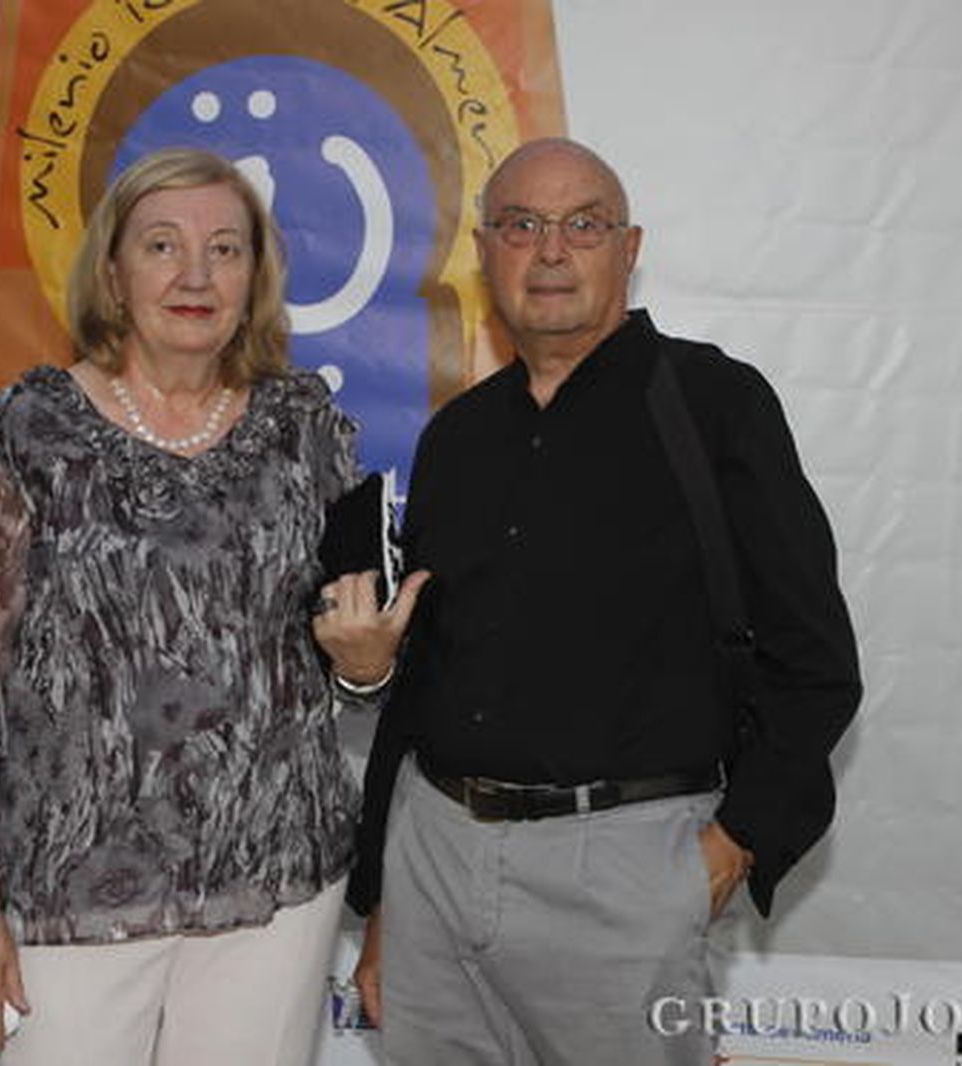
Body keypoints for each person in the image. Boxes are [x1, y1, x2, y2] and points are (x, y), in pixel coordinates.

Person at [343, 138, 863, 1065]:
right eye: (521, 225)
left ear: (630, 249)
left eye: (583, 224)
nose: (551, 249)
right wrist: (384, 893)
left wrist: (734, 841)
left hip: (627, 874)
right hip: (433, 865)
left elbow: (816, 662)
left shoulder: (715, 406)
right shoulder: (457, 437)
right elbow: (423, 680)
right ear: (485, 251)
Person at [0, 147, 419, 1065]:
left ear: (254, 278)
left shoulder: (304, 428)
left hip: (275, 880)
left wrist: (364, 666)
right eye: (162, 246)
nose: (195, 275)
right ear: (113, 272)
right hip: (73, 884)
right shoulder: (28, 432)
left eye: (225, 249)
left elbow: (350, 654)